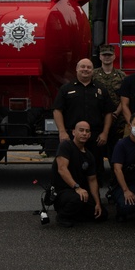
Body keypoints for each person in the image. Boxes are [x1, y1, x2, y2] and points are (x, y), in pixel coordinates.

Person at [53, 58, 114, 187]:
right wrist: (62, 132)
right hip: (72, 136)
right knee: (73, 166)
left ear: (93, 71)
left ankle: (96, 201)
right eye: (82, 67)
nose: (85, 70)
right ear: (76, 69)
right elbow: (57, 110)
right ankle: (74, 191)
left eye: (88, 67)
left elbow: (108, 113)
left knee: (96, 169)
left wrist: (105, 133)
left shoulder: (100, 89)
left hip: (95, 137)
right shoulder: (66, 89)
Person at [50, 120, 105, 227]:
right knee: (76, 199)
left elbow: (92, 180)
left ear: (89, 135)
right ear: (74, 132)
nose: (84, 133)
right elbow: (62, 169)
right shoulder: (66, 146)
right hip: (63, 192)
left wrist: (98, 203)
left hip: (78, 192)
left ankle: (75, 215)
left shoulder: (89, 156)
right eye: (81, 130)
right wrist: (77, 187)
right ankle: (62, 216)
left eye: (87, 131)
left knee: (102, 215)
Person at [92, 43, 126, 148]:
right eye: (104, 55)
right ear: (100, 57)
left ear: (114, 56)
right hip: (98, 118)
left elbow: (124, 97)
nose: (107, 57)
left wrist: (116, 113)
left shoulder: (121, 76)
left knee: (115, 147)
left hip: (117, 119)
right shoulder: (93, 75)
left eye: (109, 55)